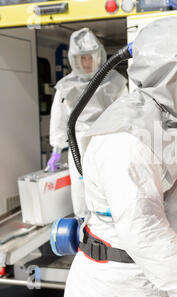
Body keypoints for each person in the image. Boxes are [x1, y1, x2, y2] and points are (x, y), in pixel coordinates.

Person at [64, 17, 177, 297]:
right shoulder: (127, 134)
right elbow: (142, 227)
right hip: (117, 284)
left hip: (165, 278)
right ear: (165, 71)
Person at [47, 28, 128, 218]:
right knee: (80, 185)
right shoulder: (66, 87)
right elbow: (59, 119)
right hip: (79, 144)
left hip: (108, 141)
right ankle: (83, 226)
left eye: (89, 57)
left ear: (98, 56)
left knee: (109, 183)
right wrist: (56, 151)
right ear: (74, 60)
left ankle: (111, 224)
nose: (86, 63)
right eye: (81, 58)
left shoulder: (115, 81)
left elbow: (127, 113)